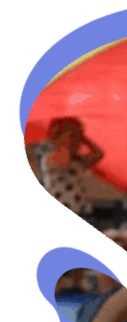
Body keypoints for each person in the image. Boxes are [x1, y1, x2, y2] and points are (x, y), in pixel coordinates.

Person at [27, 117, 105, 295]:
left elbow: (99, 154)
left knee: (82, 246)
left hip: (79, 209)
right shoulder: (51, 156)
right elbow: (63, 161)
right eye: (72, 136)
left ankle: (77, 279)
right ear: (58, 138)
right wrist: (65, 141)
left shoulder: (76, 159)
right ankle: (57, 281)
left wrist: (84, 138)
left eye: (78, 136)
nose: (76, 141)